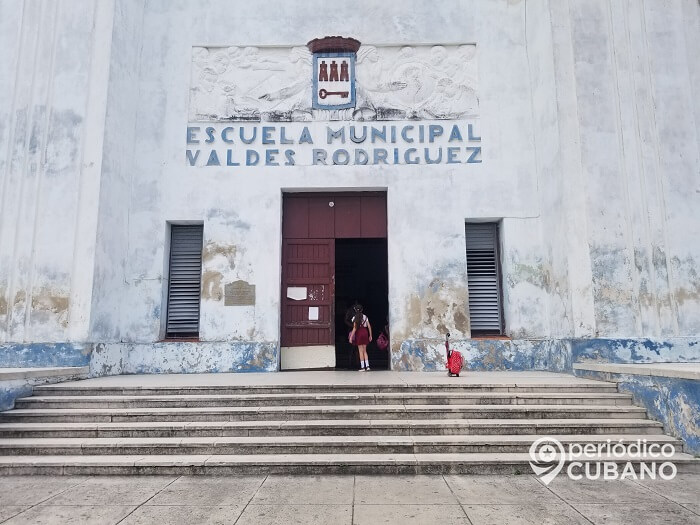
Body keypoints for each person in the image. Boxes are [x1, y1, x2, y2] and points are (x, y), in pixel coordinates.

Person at [350, 304, 372, 371]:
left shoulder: (354, 318)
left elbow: (354, 328)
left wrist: (351, 337)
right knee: (365, 351)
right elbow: (369, 326)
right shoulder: (365, 317)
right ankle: (367, 366)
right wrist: (370, 335)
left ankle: (362, 367)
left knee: (360, 351)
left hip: (359, 333)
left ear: (355, 310)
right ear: (362, 309)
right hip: (365, 332)